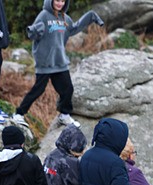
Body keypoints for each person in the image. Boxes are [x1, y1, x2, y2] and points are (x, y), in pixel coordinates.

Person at [12, 0, 104, 128]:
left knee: (67, 89)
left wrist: (91, 16)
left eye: (62, 1)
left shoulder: (65, 18)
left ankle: (64, 115)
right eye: (57, 0)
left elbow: (74, 28)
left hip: (59, 61)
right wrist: (33, 31)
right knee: (38, 90)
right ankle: (19, 114)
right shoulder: (44, 15)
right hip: (45, 62)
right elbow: (34, 32)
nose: (60, 3)